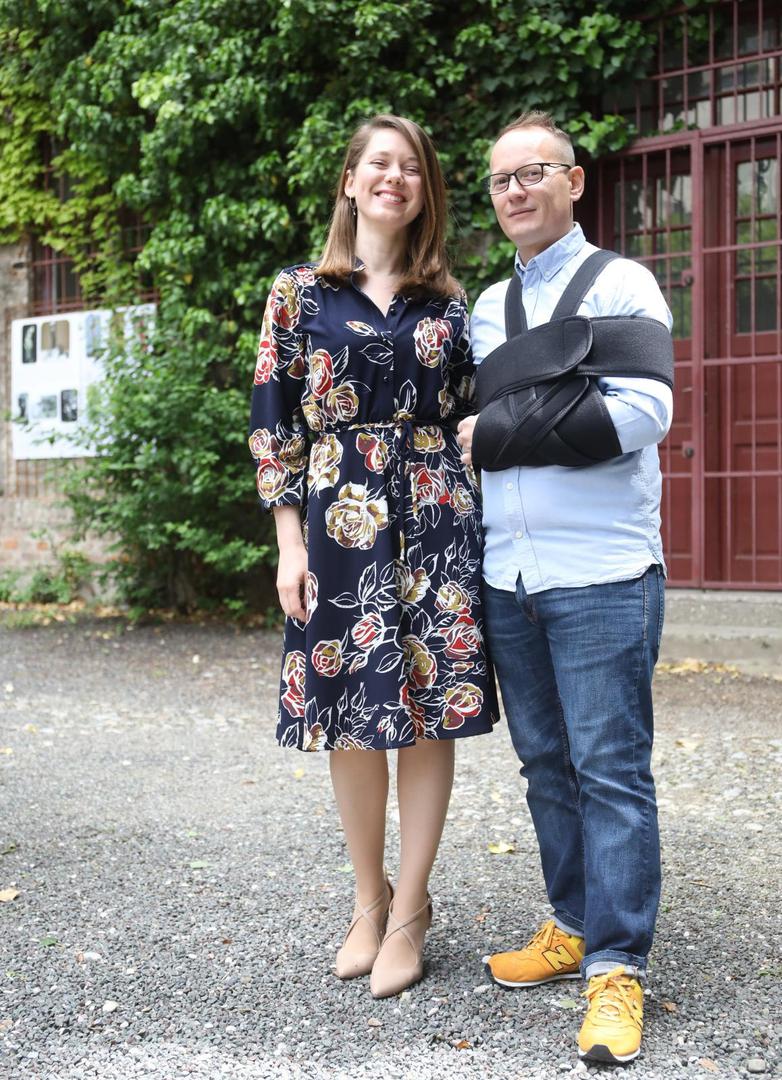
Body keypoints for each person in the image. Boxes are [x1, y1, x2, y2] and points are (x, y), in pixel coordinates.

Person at [249, 115, 499, 1000]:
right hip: (336, 520)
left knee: (429, 711)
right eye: (378, 164)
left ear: (425, 191)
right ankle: (367, 899)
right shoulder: (297, 294)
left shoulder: (451, 306)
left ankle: (413, 909)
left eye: (412, 169)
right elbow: (273, 424)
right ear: (351, 181)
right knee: (351, 711)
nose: (395, 177)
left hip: (434, 515)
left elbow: (476, 415)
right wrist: (288, 545)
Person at [456, 110, 672, 1064]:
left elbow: (638, 414)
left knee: (610, 772)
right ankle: (574, 925)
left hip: (602, 572)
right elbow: (477, 433)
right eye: (501, 179)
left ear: (574, 182)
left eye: (533, 173)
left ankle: (618, 968)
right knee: (546, 767)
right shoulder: (487, 313)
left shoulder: (621, 283)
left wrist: (502, 433)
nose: (514, 191)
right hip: (510, 576)